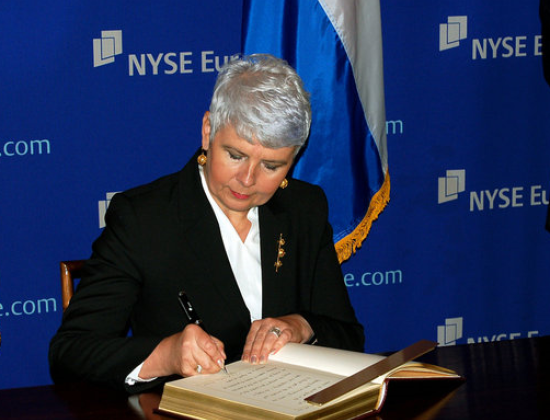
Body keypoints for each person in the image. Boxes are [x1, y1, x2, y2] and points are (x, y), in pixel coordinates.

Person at [49, 54, 365, 394]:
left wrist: (300, 326)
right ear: (207, 131)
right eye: (235, 155)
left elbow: (348, 336)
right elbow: (71, 352)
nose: (247, 179)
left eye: (271, 166)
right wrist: (166, 355)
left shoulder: (304, 208)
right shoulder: (144, 218)